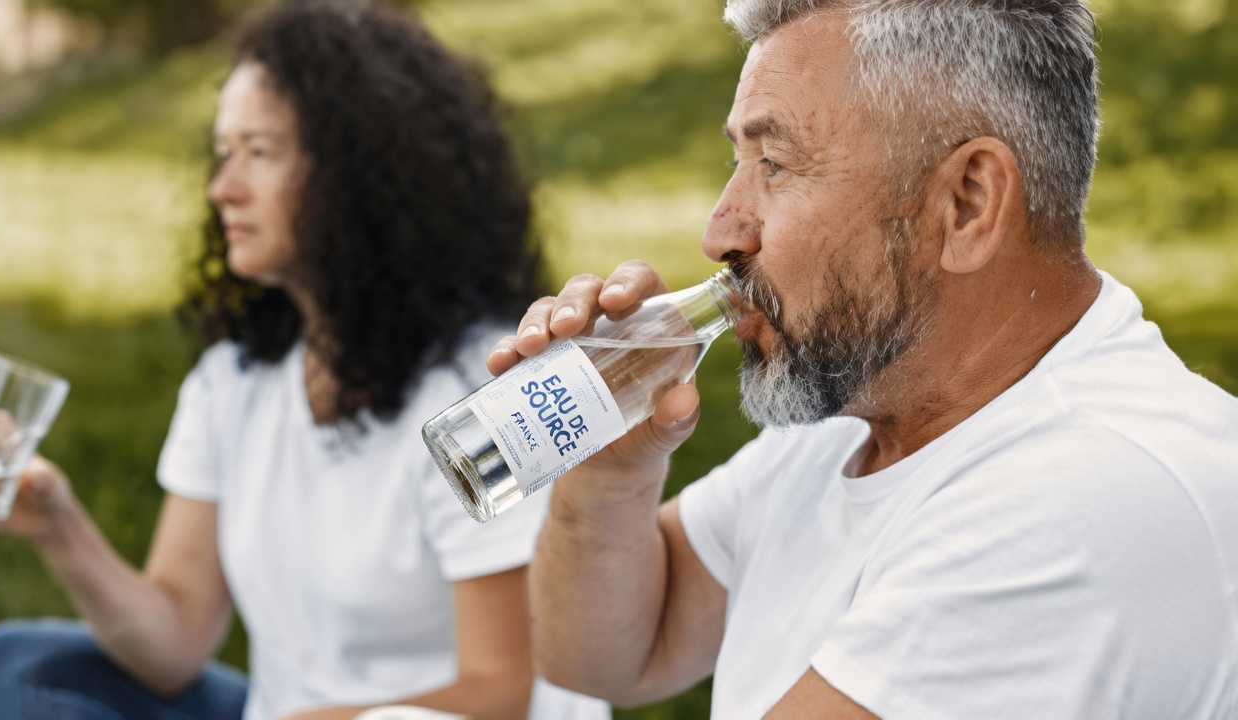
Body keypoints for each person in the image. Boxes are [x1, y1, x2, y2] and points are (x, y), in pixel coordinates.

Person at [490, 1, 1238, 717]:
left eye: (775, 163)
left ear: (968, 204)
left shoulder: (1084, 500)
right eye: (738, 161)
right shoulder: (867, 406)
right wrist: (612, 471)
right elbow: (614, 656)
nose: (720, 231)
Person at [0, 2, 610, 719]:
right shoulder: (236, 380)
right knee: (14, 669)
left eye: (260, 153)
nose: (224, 188)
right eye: (224, 154)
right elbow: (177, 640)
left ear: (358, 173)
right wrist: (58, 527)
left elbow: (504, 692)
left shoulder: (483, 390)